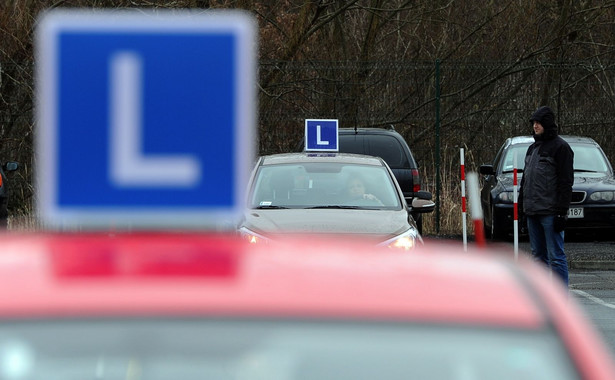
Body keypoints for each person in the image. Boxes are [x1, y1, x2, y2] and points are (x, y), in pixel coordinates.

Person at [519, 106, 574, 287]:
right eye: (533, 123)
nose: (535, 126)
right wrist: (522, 209)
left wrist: (561, 212)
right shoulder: (532, 148)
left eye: (538, 122)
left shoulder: (561, 148)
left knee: (556, 257)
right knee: (538, 258)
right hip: (532, 211)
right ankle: (544, 298)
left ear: (547, 123)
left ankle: (559, 301)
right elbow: (526, 180)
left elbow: (566, 183)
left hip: (550, 212)